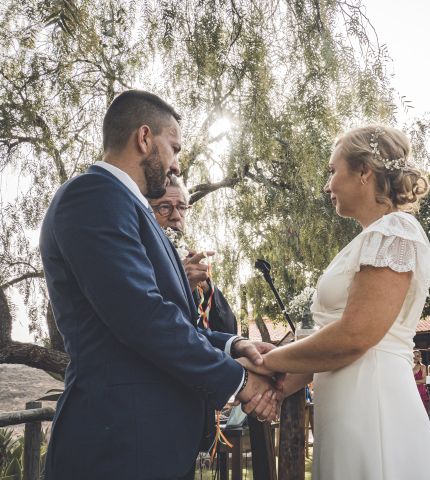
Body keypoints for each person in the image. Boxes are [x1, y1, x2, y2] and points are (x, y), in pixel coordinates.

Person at [39, 90, 279, 480]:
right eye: (174, 148)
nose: (176, 166)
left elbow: (173, 316)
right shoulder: (93, 196)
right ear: (144, 138)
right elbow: (141, 316)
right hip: (118, 445)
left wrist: (233, 344)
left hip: (151, 444)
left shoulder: (127, 206)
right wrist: (240, 381)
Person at [254, 125, 430, 479]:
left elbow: (355, 337)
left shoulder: (395, 231)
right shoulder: (367, 240)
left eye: (332, 171)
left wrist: (266, 362)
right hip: (345, 404)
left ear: (363, 172)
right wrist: (281, 385)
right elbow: (332, 343)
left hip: (373, 403)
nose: (327, 185)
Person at [148, 175, 238, 334]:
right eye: (164, 207)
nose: (176, 216)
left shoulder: (191, 261)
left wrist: (208, 289)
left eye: (182, 207)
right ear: (147, 211)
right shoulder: (138, 258)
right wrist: (182, 286)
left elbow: (229, 330)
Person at [413, 349, 430, 414]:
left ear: (420, 357)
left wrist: (411, 382)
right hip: (410, 391)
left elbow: (424, 380)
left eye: (417, 356)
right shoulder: (407, 366)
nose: (415, 357)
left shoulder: (422, 367)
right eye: (414, 355)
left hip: (421, 391)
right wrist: (417, 381)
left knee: (423, 412)